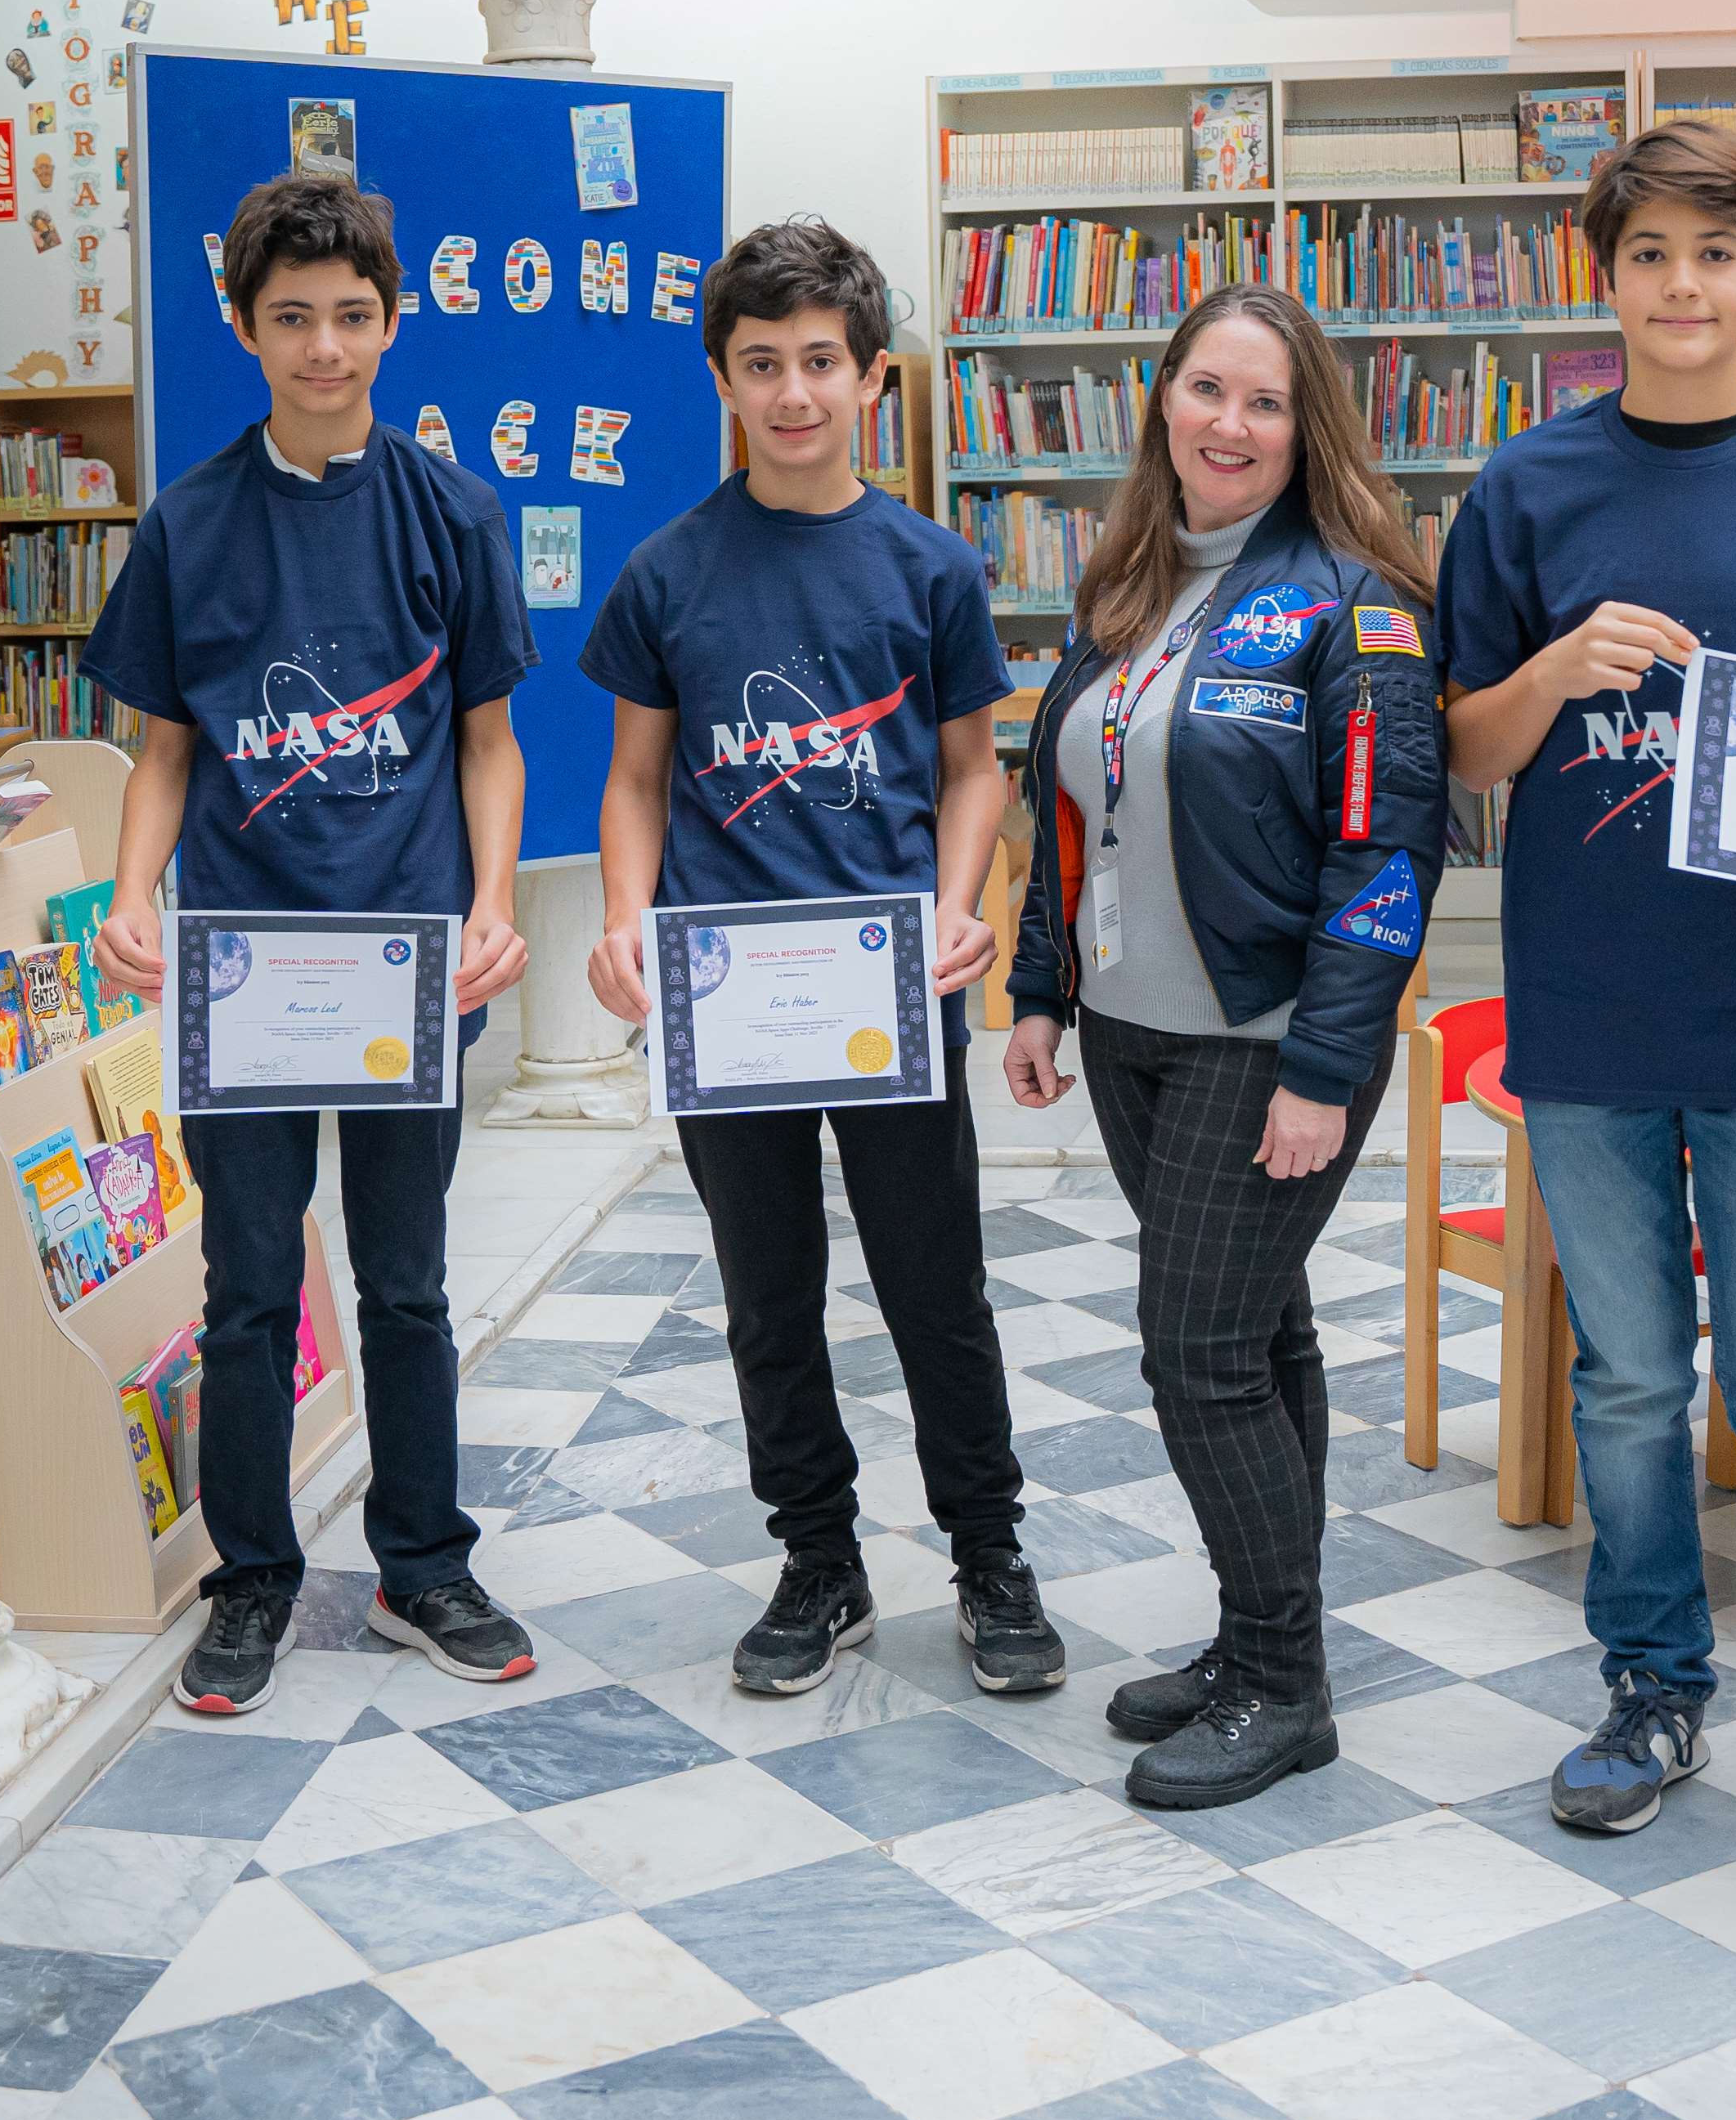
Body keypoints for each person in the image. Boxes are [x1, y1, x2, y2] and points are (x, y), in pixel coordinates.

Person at [1439, 118, 1736, 1867]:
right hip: (1583, 1009)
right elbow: (1458, 749)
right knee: (1629, 1379)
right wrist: (1556, 669)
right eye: (1646, 253)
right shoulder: (1526, 486)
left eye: (1712, 253)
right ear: (1605, 276)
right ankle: (1648, 1681)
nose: (1680, 285)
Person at [581, 217, 1065, 1701]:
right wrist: (619, 918)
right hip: (731, 1008)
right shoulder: (669, 573)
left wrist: (956, 898)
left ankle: (988, 1554)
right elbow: (638, 782)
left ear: (870, 375)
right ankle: (817, 1558)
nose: (792, 392)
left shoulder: (926, 565)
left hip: (893, 998)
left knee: (938, 1287)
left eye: (819, 362)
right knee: (766, 1293)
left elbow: (976, 767)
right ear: (721, 380)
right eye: (759, 364)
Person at [85, 173, 538, 1714]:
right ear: (244, 327)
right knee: (249, 1286)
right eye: (293, 320)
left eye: (352, 317)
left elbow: (488, 741)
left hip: (407, 969)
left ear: (392, 323)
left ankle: (426, 1563)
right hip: (243, 979)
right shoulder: (191, 522)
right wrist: (133, 894)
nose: (325, 348)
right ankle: (253, 1577)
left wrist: (491, 905)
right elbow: (161, 749)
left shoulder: (453, 514)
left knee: (406, 1283)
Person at [1003, 282, 1446, 1808]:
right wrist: (1041, 990)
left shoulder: (1355, 601)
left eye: (1263, 400)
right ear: (1165, 404)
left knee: (1195, 1352)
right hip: (1129, 1036)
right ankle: (1265, 1633)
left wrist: (1327, 1066)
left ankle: (1281, 1683)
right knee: (1257, 1336)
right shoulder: (1124, 583)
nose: (1229, 423)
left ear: (1302, 422)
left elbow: (1384, 856)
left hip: (1264, 1043)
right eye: (1206, 390)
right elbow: (1073, 808)